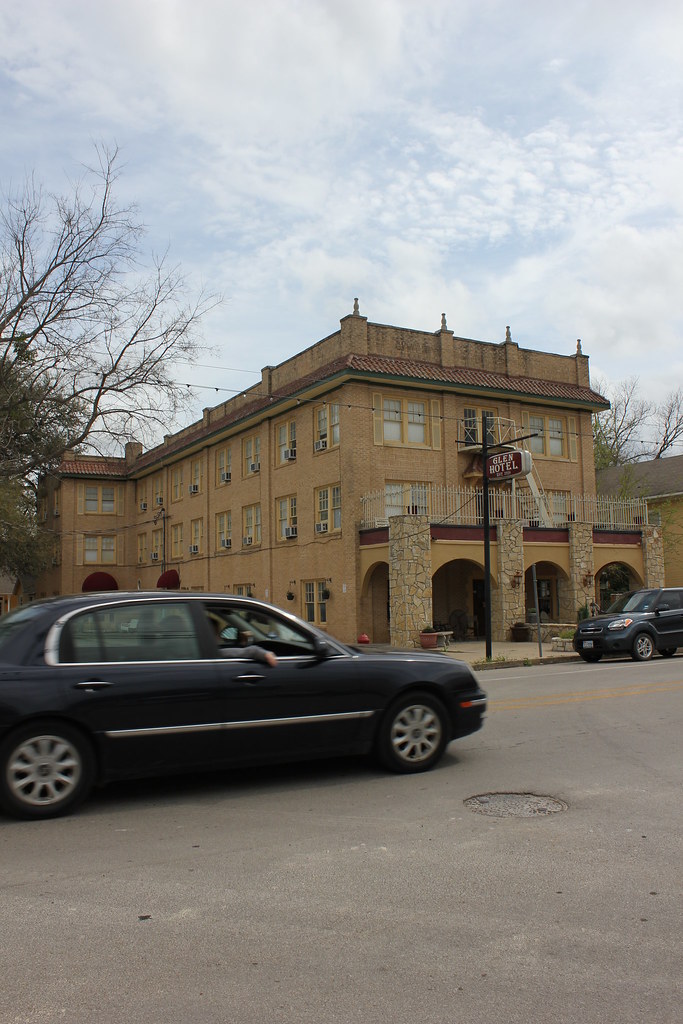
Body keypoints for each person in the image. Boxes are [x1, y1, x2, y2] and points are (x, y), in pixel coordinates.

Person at [209, 616, 277, 667]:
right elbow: (226, 653)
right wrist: (259, 652)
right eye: (216, 633)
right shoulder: (212, 654)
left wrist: (241, 643)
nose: (219, 637)